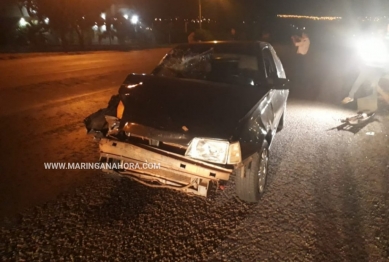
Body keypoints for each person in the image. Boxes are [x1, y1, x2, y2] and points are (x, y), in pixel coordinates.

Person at [342, 28, 389, 104]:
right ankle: (351, 96)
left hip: (378, 68)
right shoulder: (371, 43)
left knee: (374, 85)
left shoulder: (384, 43)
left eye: (380, 34)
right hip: (369, 66)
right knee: (359, 81)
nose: (379, 36)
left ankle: (378, 101)